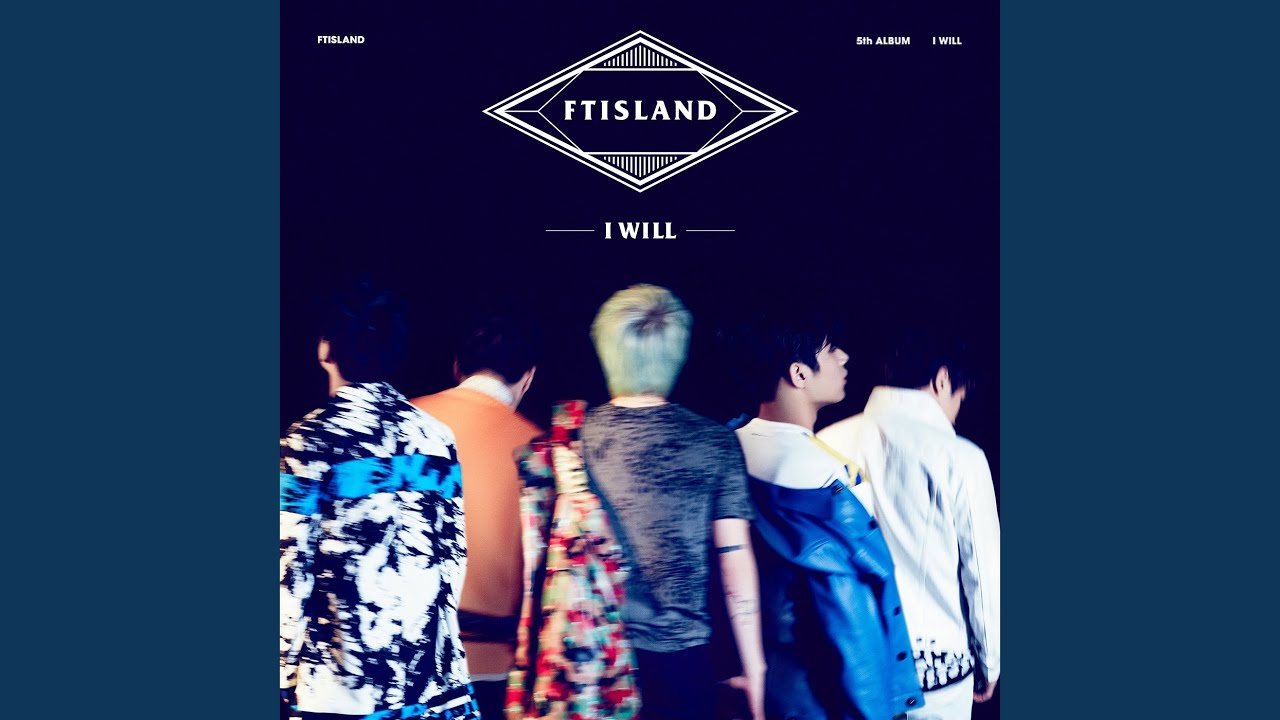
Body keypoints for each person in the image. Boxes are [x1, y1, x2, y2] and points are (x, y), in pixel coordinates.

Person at [279, 281, 478, 720]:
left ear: (325, 349)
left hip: (339, 687)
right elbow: (453, 555)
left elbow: (290, 570)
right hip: (427, 682)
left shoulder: (307, 442)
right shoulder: (436, 437)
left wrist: (283, 669)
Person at [581, 284, 766, 720]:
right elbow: (734, 560)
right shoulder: (713, 442)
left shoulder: (569, 440)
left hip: (588, 656)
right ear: (677, 352)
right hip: (683, 663)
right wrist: (754, 668)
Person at [730, 316, 923, 720]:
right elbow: (850, 620)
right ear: (799, 373)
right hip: (821, 697)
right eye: (831, 349)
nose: (845, 357)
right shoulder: (833, 478)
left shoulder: (724, 449)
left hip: (752, 691)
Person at [817, 330, 1000, 720]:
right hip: (936, 669)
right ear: (943, 379)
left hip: (851, 662)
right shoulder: (960, 456)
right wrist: (991, 661)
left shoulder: (825, 442)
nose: (956, 413)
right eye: (959, 399)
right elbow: (982, 573)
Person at [411, 317, 544, 720]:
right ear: (527, 378)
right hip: (496, 667)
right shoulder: (540, 448)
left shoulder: (404, 420)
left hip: (409, 659)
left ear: (457, 368)